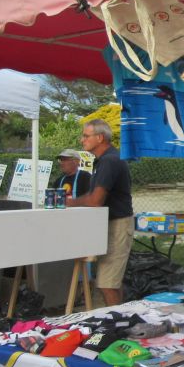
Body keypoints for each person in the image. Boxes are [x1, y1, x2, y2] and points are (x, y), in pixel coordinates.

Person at [66, 119, 134, 307]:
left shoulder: (109, 161)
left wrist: (69, 203)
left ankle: (115, 322)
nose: (82, 140)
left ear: (100, 137)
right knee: (110, 282)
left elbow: (96, 200)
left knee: (106, 283)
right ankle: (120, 318)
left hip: (118, 224)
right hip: (113, 223)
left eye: (86, 136)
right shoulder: (105, 160)